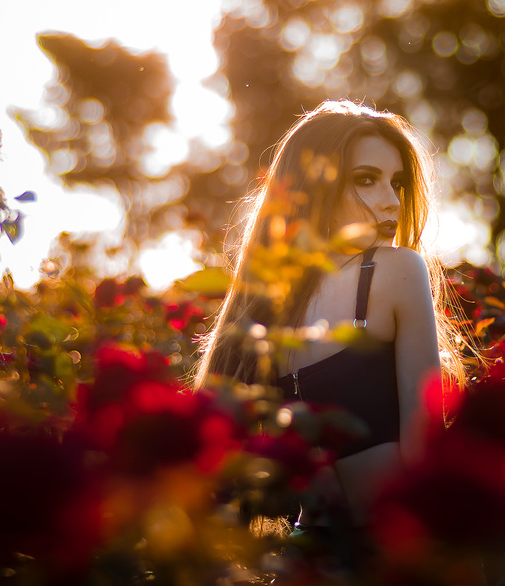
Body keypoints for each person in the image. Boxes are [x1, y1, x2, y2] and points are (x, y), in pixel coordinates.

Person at [194, 100, 466, 546]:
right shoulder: (267, 303)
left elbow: (426, 444)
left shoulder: (396, 271)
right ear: (313, 184)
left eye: (396, 182)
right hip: (310, 560)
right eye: (366, 180)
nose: (390, 201)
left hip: (393, 547)